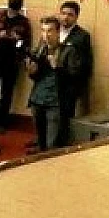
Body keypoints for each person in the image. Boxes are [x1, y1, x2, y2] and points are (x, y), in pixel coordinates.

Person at [25, 17, 79, 151]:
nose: (46, 35)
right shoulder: (40, 50)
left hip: (56, 102)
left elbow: (74, 77)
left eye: (49, 31)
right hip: (38, 99)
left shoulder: (68, 51)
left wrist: (57, 67)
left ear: (58, 32)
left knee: (52, 144)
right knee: (41, 141)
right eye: (43, 31)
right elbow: (35, 76)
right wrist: (31, 71)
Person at [0, 0, 31, 109]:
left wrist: (17, 40)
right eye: (11, 10)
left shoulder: (23, 22)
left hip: (12, 59)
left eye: (15, 11)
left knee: (7, 91)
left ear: (19, 9)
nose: (12, 13)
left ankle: (3, 116)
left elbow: (26, 43)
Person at [56, 0, 93, 118]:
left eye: (70, 14)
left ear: (77, 17)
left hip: (68, 84)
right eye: (63, 13)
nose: (65, 17)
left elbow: (84, 63)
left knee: (65, 117)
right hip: (50, 83)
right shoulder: (52, 31)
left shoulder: (82, 36)